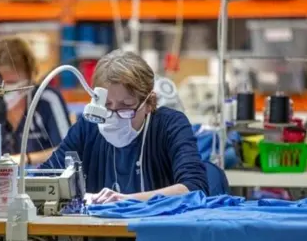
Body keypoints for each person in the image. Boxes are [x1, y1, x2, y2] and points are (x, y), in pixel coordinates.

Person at [40, 50, 209, 204]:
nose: (113, 116)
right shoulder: (89, 126)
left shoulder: (169, 125)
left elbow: (194, 188)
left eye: (126, 107)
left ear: (149, 103)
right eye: (106, 105)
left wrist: (125, 200)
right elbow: (46, 176)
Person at [0, 36, 71, 165]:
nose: (4, 89)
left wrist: (24, 160)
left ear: (30, 77)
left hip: (38, 180)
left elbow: (67, 150)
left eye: (12, 83)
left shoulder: (47, 100)